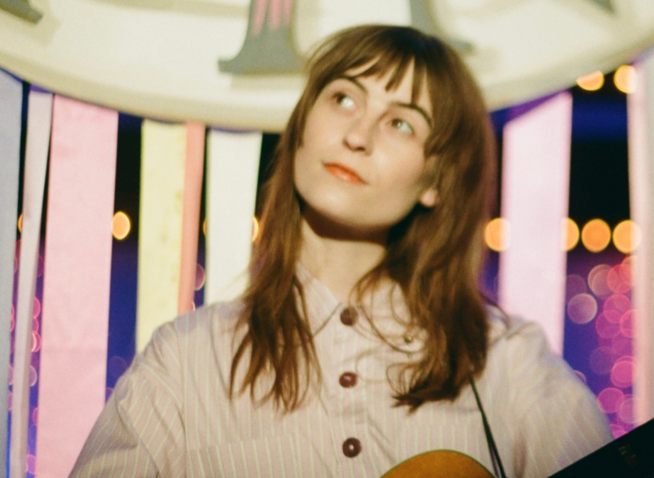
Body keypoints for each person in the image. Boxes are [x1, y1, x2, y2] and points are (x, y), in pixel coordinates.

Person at [71, 25, 611, 477]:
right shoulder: (185, 361)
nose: (358, 134)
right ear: (303, 125)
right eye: (344, 98)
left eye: (400, 123)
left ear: (436, 182)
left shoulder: (506, 360)